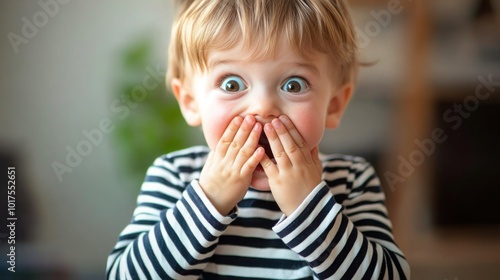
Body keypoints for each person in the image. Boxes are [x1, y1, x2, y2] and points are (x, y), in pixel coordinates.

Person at [106, 0, 410, 279]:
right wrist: (210, 199)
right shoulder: (174, 175)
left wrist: (308, 207)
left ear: (333, 105)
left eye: (294, 84)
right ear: (190, 102)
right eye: (232, 83)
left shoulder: (352, 180)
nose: (263, 108)